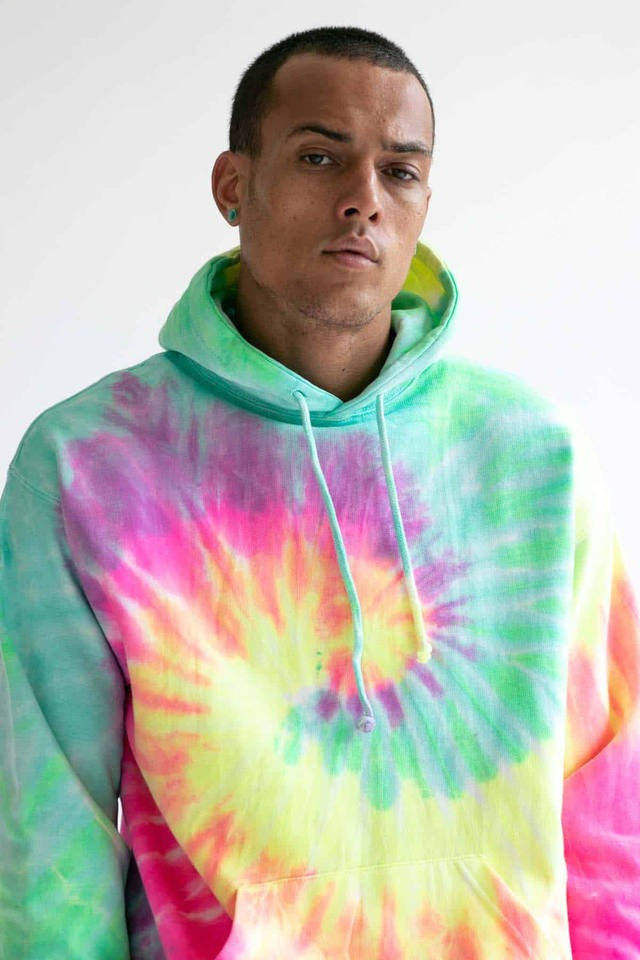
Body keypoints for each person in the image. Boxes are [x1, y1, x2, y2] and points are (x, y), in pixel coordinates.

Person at [1, 23, 638, 960]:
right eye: (319, 156)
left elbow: (610, 809)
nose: (363, 199)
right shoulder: (88, 464)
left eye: (400, 171)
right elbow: (47, 832)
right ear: (233, 185)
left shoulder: (537, 458)